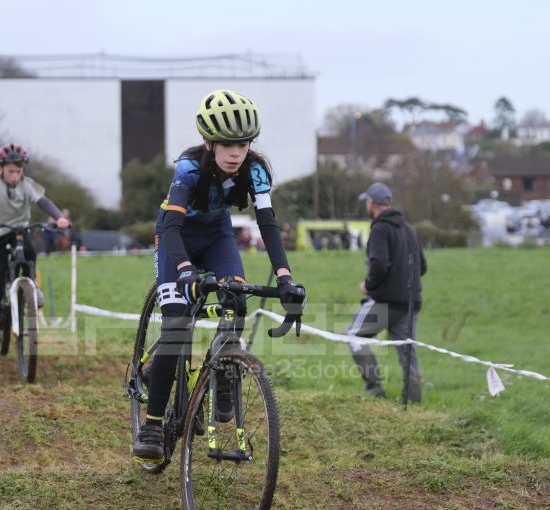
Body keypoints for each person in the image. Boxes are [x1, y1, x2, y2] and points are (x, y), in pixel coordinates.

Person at [132, 89, 304, 463]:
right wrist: (185, 269)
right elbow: (172, 227)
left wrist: (285, 278)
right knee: (177, 328)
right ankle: (153, 424)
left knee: (236, 298)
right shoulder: (189, 169)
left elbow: (268, 225)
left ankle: (224, 372)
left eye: (242, 144)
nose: (235, 152)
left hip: (217, 237)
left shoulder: (255, 170)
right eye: (226, 144)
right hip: (176, 238)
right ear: (209, 141)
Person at [0, 143, 70, 341]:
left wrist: (59, 217)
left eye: (18, 171)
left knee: (30, 253)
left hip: (17, 229)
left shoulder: (28, 184)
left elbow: (43, 202)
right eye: (10, 171)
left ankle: (32, 287)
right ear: (1, 168)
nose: (15, 176)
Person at [346, 182, 426, 402]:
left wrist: (369, 285)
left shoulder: (380, 228)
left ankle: (375, 389)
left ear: (371, 203)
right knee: (407, 353)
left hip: (385, 302)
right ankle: (414, 403)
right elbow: (423, 267)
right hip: (411, 302)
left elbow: (379, 264)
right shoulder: (408, 229)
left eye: (367, 202)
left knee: (354, 337)